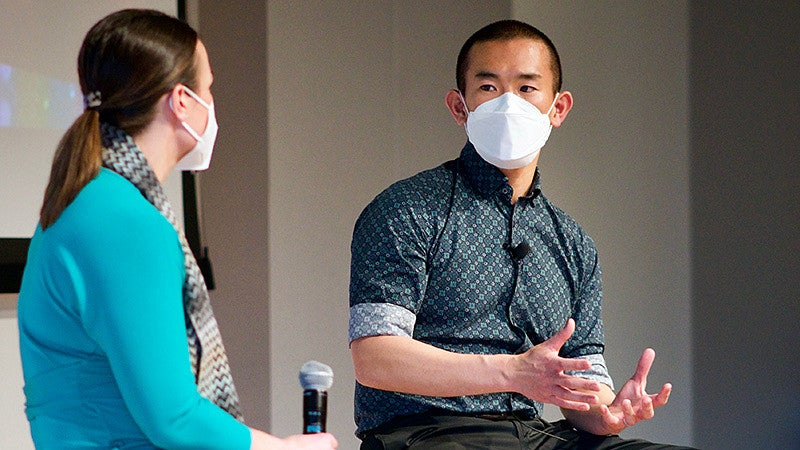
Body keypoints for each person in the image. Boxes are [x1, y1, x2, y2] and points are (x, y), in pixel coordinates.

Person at [348, 19, 694, 449]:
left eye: (527, 88)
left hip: (537, 436)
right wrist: (512, 372)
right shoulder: (407, 209)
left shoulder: (572, 243)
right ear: (460, 108)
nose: (508, 103)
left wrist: (608, 414)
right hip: (428, 433)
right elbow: (375, 357)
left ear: (558, 108)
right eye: (489, 88)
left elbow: (579, 384)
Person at [17, 9, 336, 450]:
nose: (212, 101)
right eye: (209, 87)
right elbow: (173, 417)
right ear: (181, 100)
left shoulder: (91, 201)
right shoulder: (124, 222)